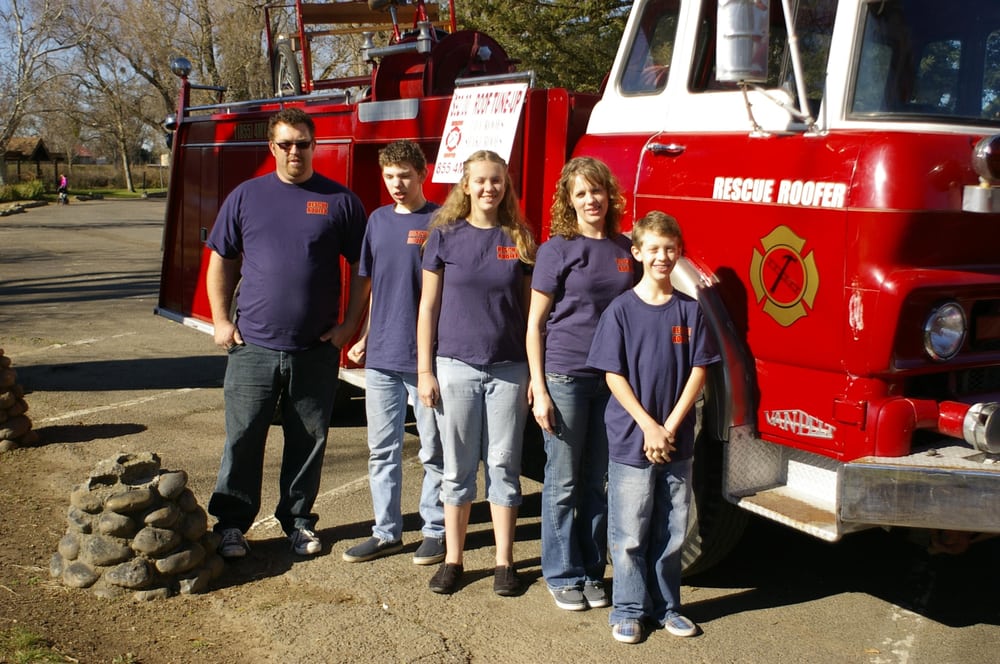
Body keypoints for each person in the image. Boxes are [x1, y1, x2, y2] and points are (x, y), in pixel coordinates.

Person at [205, 107, 369, 559]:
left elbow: (361, 268)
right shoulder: (246, 197)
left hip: (314, 349)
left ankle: (297, 522)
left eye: (303, 143)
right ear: (272, 147)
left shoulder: (340, 201)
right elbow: (222, 259)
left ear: (315, 146)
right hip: (252, 346)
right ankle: (232, 526)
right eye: (286, 144)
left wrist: (348, 326)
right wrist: (221, 320)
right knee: (243, 438)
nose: (295, 151)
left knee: (308, 441)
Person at [586, 211, 720, 644]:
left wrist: (670, 426)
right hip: (631, 439)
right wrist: (648, 426)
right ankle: (627, 608)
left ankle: (668, 607)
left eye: (670, 248)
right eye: (654, 248)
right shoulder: (621, 311)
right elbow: (613, 375)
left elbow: (699, 371)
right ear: (637, 252)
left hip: (675, 440)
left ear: (678, 252)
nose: (662, 256)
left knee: (672, 528)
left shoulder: (690, 311)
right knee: (628, 530)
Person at [416, 150, 536, 596]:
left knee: (504, 466)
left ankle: (505, 563)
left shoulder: (520, 238)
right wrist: (425, 369)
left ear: (506, 187)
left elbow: (529, 314)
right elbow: (428, 307)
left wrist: (534, 375)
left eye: (497, 181)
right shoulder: (443, 237)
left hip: (508, 370)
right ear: (465, 186)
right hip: (455, 367)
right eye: (481, 181)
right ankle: (454, 560)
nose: (489, 188)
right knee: (458, 469)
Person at [526, 157, 636, 612]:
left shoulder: (626, 247)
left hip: (611, 380)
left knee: (597, 480)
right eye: (581, 194)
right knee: (563, 481)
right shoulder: (558, 249)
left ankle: (592, 570)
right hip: (566, 375)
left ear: (609, 194)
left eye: (597, 191)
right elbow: (534, 324)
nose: (591, 200)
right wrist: (539, 386)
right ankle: (561, 573)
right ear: (568, 202)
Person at [342, 140, 446, 566]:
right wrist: (364, 334)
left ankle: (436, 530)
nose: (397, 184)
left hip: (427, 360)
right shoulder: (377, 220)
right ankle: (386, 532)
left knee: (434, 451)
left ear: (422, 173)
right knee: (381, 450)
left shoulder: (442, 221)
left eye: (405, 175)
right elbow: (373, 284)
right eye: (389, 176)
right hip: (381, 358)